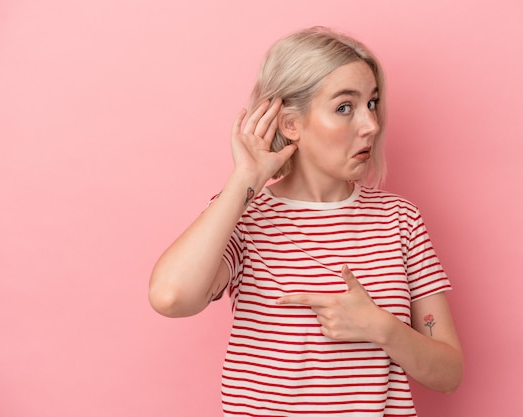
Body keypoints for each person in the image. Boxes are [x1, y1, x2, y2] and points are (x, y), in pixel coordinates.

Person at [149, 26, 463, 416]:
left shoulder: (400, 220)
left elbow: (448, 375)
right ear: (290, 124)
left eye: (373, 103)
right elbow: (170, 297)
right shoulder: (244, 218)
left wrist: (379, 327)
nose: (371, 125)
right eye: (345, 107)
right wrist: (244, 180)